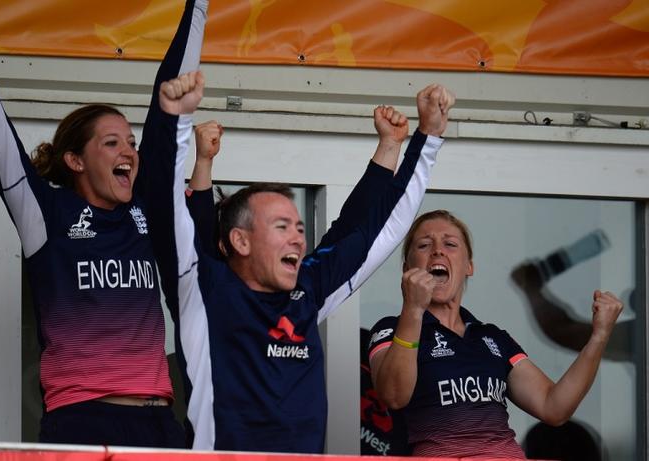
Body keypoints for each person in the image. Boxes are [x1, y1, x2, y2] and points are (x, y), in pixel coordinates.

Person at [0, 0, 207, 447]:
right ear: (75, 160)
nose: (129, 151)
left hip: (158, 421)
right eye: (112, 143)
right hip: (82, 421)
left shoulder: (143, 209)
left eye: (131, 142)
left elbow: (167, 106)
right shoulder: (46, 214)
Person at [144, 67, 454, 452]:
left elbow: (369, 228)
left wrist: (428, 137)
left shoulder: (307, 290)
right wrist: (176, 121)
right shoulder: (205, 292)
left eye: (299, 227)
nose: (297, 237)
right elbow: (167, 212)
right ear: (239, 241)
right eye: (281, 226)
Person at [367, 209, 624, 458]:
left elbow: (553, 407)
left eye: (450, 244)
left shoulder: (491, 337)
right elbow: (393, 395)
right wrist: (413, 309)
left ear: (469, 266)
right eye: (424, 245)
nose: (437, 250)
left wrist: (599, 336)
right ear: (407, 269)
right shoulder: (392, 328)